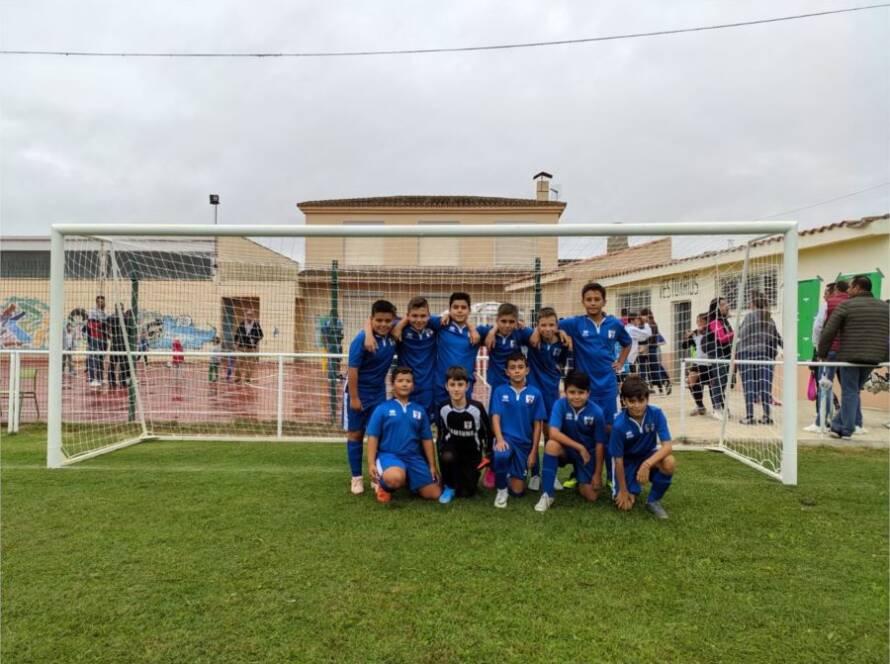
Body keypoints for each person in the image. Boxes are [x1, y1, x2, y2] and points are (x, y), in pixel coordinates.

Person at [818, 275, 889, 440]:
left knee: (849, 392)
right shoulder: (885, 307)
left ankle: (848, 429)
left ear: (858, 288)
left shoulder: (846, 305)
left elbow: (829, 331)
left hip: (850, 356)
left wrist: (822, 353)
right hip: (875, 357)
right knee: (854, 391)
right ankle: (837, 425)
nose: (848, 290)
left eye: (850, 287)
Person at [556, 283, 631, 431]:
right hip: (585, 385)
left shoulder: (614, 324)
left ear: (604, 302)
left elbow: (627, 343)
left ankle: (609, 455)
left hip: (608, 384)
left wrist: (621, 362)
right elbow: (550, 325)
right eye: (589, 299)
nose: (593, 303)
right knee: (586, 425)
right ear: (583, 301)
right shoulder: (575, 323)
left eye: (597, 299)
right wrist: (562, 333)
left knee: (609, 426)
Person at [344, 299, 397, 494]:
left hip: (379, 394)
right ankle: (356, 478)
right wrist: (355, 398)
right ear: (371, 319)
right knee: (356, 434)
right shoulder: (361, 340)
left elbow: (408, 318)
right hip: (359, 392)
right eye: (379, 320)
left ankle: (376, 476)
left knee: (378, 435)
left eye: (387, 321)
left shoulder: (392, 333)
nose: (383, 324)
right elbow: (352, 370)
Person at [367, 366, 442, 504]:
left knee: (434, 493)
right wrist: (371, 463)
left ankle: (409, 480)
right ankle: (383, 485)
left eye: (408, 381)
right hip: (389, 455)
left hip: (413, 457)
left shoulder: (419, 410)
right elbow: (373, 437)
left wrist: (432, 465)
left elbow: (427, 439)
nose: (404, 384)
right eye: (400, 380)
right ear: (393, 384)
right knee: (395, 478)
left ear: (413, 386)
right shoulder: (382, 408)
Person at [534, 371, 607, 512]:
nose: (576, 396)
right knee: (551, 445)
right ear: (565, 392)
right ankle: (547, 494)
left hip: (587, 456)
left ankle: (580, 478)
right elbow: (553, 433)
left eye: (581, 392)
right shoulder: (560, 405)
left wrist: (597, 474)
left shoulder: (597, 412)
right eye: (572, 392)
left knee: (591, 496)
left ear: (588, 393)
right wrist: (579, 447)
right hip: (568, 450)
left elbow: (599, 444)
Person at [609, 375, 676, 520]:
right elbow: (618, 460)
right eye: (631, 401)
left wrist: (647, 464)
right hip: (626, 462)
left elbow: (668, 446)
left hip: (647, 457)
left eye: (641, 400)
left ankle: (653, 501)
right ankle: (632, 488)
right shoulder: (618, 425)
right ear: (624, 401)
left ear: (647, 399)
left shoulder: (656, 414)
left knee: (669, 462)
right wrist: (623, 490)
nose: (637, 405)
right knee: (625, 505)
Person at [490, 352, 547, 508]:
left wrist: (534, 451)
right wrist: (500, 439)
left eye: (520, 367)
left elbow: (538, 425)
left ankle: (504, 473)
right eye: (513, 368)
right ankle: (501, 490)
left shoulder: (535, 394)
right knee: (501, 455)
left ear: (527, 370)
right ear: (507, 371)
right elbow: (495, 417)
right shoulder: (500, 391)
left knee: (518, 492)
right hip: (506, 439)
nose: (517, 371)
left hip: (524, 444)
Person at [435, 366, 493, 502]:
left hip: (472, 454)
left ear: (467, 386)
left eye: (460, 384)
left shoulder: (477, 408)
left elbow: (488, 433)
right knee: (447, 456)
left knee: (466, 493)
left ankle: (466, 479)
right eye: (452, 385)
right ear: (446, 386)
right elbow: (441, 434)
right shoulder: (443, 408)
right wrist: (442, 451)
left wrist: (488, 455)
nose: (456, 389)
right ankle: (448, 486)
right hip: (452, 450)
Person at [804, 281, 848, 433]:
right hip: (848, 352)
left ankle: (821, 422)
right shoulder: (851, 303)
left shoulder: (828, 305)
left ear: (833, 291)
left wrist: (818, 348)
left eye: (826, 292)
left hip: (830, 351)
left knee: (824, 385)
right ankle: (851, 422)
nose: (823, 295)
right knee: (849, 388)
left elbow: (818, 328)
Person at [736, 293, 783, 425]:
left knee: (748, 385)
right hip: (762, 353)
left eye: (750, 302)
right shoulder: (769, 319)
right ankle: (767, 416)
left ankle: (750, 416)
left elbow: (742, 334)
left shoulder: (751, 316)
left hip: (746, 353)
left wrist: (739, 329)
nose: (748, 304)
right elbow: (773, 337)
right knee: (764, 386)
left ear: (754, 304)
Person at [431, 292, 482, 408]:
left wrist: (473, 328)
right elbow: (418, 316)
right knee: (441, 420)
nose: (459, 311)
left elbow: (501, 326)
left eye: (463, 308)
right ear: (449, 309)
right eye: (455, 307)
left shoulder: (478, 332)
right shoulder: (442, 325)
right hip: (442, 383)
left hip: (464, 384)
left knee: (462, 420)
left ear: (469, 310)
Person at [703, 297, 734, 420]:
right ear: (716, 308)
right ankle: (717, 408)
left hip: (726, 355)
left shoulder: (725, 321)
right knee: (719, 381)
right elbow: (722, 338)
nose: (726, 306)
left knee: (724, 382)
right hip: (717, 355)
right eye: (722, 304)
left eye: (726, 303)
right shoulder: (714, 322)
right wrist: (736, 333)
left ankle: (723, 406)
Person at [682, 313, 710, 415]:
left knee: (712, 385)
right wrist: (688, 337)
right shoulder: (695, 334)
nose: (698, 323)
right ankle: (700, 405)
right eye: (697, 321)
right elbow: (684, 346)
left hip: (710, 363)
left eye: (701, 321)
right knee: (690, 381)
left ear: (706, 321)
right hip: (698, 362)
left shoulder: (710, 331)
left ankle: (718, 407)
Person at [639, 308, 672, 394]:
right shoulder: (641, 324)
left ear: (647, 315)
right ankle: (644, 387)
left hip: (651, 348)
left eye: (643, 315)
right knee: (642, 368)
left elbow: (652, 338)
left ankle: (664, 383)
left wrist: (646, 347)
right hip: (642, 349)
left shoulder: (652, 324)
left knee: (655, 368)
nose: (641, 317)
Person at [233, 308, 264, 385]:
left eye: (250, 315)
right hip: (242, 347)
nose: (249, 316)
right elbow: (237, 334)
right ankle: (237, 378)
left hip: (252, 348)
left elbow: (261, 335)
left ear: (253, 316)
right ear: (245, 315)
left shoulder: (256, 325)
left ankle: (247, 379)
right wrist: (235, 343)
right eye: (248, 314)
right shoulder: (242, 324)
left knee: (250, 364)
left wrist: (255, 340)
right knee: (239, 363)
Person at [86, 295, 107, 387]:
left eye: (103, 301)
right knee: (93, 359)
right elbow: (90, 325)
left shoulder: (104, 313)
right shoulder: (92, 312)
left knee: (101, 360)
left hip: (102, 339)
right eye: (99, 301)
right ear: (96, 302)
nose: (101, 303)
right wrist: (101, 324)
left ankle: (100, 379)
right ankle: (91, 379)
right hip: (94, 339)